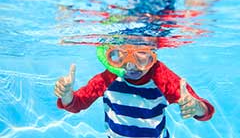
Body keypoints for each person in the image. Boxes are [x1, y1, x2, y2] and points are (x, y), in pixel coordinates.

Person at [54, 44, 214, 138]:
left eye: (141, 54)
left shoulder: (163, 77)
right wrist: (67, 95)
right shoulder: (108, 78)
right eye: (122, 54)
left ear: (154, 53)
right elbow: (77, 104)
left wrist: (196, 107)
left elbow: (205, 112)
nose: (131, 65)